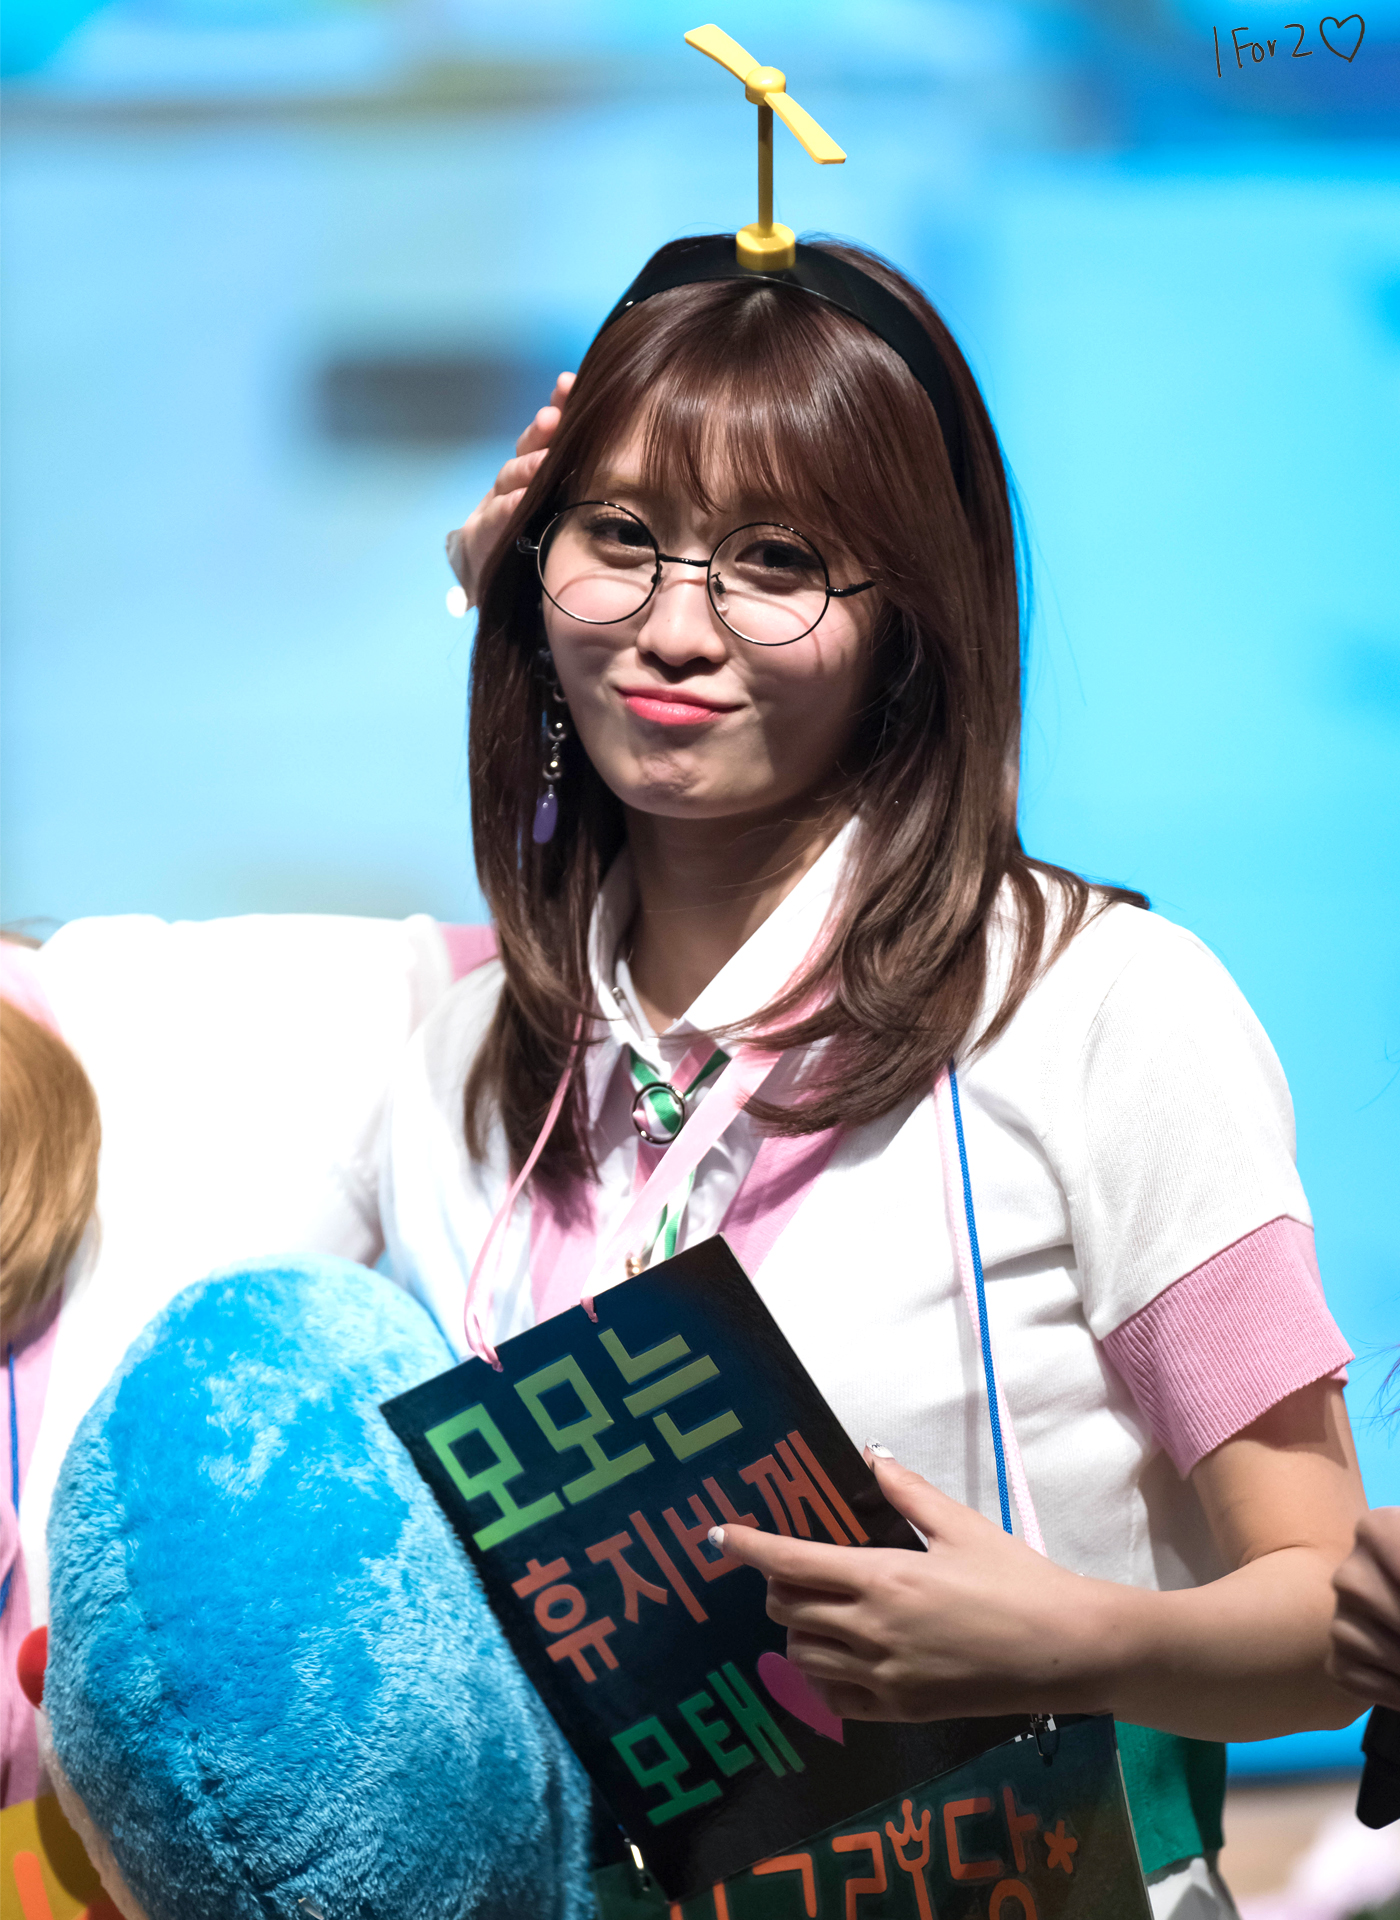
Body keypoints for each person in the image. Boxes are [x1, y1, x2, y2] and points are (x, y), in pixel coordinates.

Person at [382, 235, 1368, 1918]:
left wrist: (1078, 1640)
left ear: (911, 618)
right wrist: (505, 601)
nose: (676, 630)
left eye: (777, 560)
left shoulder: (1102, 1008)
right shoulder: (474, 1062)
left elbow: (1333, 1605)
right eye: (622, 535)